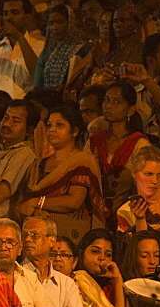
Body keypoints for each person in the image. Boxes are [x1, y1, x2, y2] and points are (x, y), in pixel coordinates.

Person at [17, 103, 107, 242]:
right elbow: (21, 204)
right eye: (49, 125)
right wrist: (29, 210)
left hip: (68, 240)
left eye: (59, 125)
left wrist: (38, 202)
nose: (52, 130)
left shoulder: (82, 161)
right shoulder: (37, 165)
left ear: (75, 131)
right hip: (35, 239)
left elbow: (74, 201)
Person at [21, 216, 96, 307]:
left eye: (34, 235)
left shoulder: (66, 283)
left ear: (51, 241)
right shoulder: (17, 276)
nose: (28, 240)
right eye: (24, 235)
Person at [84, 81, 149, 213]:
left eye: (117, 102)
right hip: (94, 211)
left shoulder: (139, 144)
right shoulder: (95, 141)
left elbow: (145, 186)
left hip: (127, 213)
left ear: (130, 110)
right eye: (106, 100)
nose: (108, 106)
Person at [33, 4, 91, 91]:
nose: (55, 27)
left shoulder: (83, 49)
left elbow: (86, 80)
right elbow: (37, 85)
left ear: (70, 23)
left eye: (60, 22)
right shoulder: (47, 53)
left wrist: (65, 88)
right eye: (51, 23)